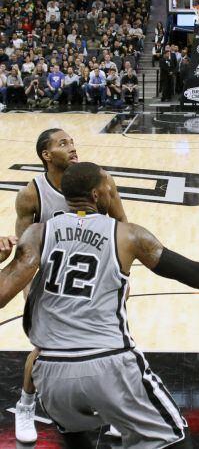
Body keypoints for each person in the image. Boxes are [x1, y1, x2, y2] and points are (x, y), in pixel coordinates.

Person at [0, 162, 199, 449]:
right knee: (173, 439)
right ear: (97, 196)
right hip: (110, 363)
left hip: (51, 372)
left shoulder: (37, 234)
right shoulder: (129, 236)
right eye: (109, 185)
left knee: (74, 435)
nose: (113, 190)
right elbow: (195, 274)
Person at [13, 129, 127, 444]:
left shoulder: (98, 180)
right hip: (54, 279)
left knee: (110, 345)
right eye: (63, 143)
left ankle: (116, 411)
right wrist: (29, 297)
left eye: (73, 142)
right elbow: (25, 252)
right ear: (46, 155)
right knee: (44, 347)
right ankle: (25, 405)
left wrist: (121, 279)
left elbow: (123, 227)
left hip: (96, 276)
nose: (72, 147)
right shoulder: (32, 193)